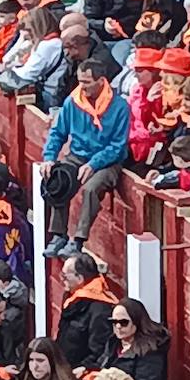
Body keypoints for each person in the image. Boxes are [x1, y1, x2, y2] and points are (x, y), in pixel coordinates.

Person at [39, 59, 129, 257]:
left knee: (90, 189)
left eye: (87, 82)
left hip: (108, 162)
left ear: (101, 81)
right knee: (58, 180)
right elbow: (57, 133)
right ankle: (58, 235)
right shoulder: (73, 101)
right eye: (80, 81)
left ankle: (78, 240)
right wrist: (49, 157)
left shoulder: (120, 106)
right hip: (77, 155)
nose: (82, 87)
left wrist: (94, 163)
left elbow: (118, 145)